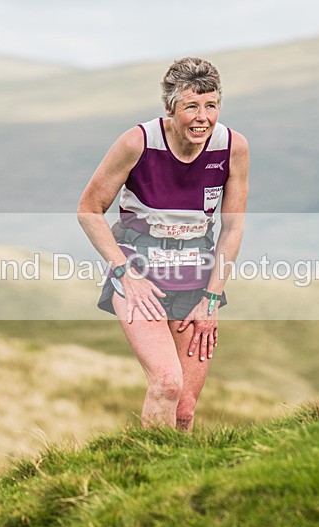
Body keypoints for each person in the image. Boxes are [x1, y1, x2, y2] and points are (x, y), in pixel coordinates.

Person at [77, 57, 249, 432]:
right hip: (139, 275)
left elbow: (232, 229)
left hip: (196, 278)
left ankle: (177, 485)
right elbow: (89, 210)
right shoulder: (137, 142)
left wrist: (212, 299)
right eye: (191, 106)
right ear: (170, 109)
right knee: (167, 384)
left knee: (185, 408)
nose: (202, 117)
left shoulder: (233, 147)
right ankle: (144, 475)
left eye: (211, 105)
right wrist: (125, 274)